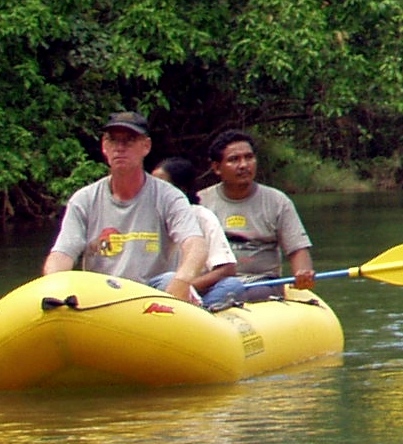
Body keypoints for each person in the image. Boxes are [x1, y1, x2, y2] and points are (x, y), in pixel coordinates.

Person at [42, 112, 206, 302]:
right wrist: (53, 285)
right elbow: (63, 252)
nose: (119, 148)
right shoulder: (83, 199)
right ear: (104, 145)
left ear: (146, 146)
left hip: (153, 292)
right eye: (113, 141)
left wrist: (182, 280)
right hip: (102, 294)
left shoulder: (169, 196)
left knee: (171, 279)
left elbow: (195, 244)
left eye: (129, 141)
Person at [197, 128, 315, 303]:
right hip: (214, 281)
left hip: (261, 283)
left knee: (249, 292)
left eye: (249, 157)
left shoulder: (277, 201)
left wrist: (303, 273)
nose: (244, 165)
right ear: (216, 167)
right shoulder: (200, 201)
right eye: (234, 160)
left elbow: (297, 249)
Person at [151, 155, 244, 304]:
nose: (154, 192)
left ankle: (200, 316)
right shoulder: (145, 215)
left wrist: (184, 285)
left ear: (180, 190)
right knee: (167, 280)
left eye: (161, 186)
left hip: (190, 289)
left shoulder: (202, 217)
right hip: (153, 289)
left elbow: (227, 269)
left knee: (233, 286)